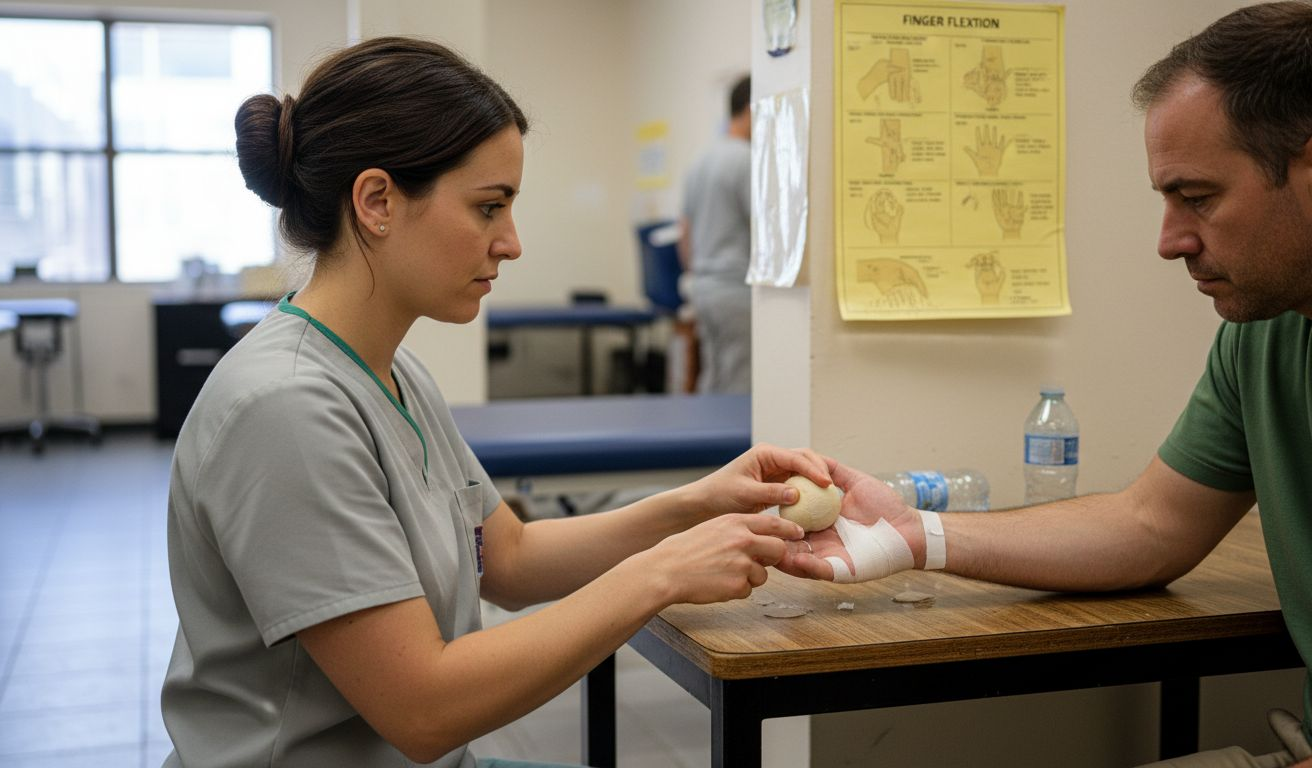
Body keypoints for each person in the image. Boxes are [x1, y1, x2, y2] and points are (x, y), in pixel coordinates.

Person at [159, 37, 836, 768]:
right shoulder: (284, 409)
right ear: (377, 201)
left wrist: (699, 502)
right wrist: (663, 572)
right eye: (489, 208)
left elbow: (509, 558)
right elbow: (424, 708)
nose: (510, 244)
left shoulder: (392, 373)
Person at [786, 3, 1312, 766]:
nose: (1170, 242)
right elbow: (1151, 525)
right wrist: (917, 535)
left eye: (1197, 198)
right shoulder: (1260, 336)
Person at [678, 74, 753, 394]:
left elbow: (685, 231)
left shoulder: (701, 160)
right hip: (736, 290)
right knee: (740, 380)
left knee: (713, 376)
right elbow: (764, 228)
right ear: (752, 110)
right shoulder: (747, 159)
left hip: (704, 288)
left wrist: (696, 276)